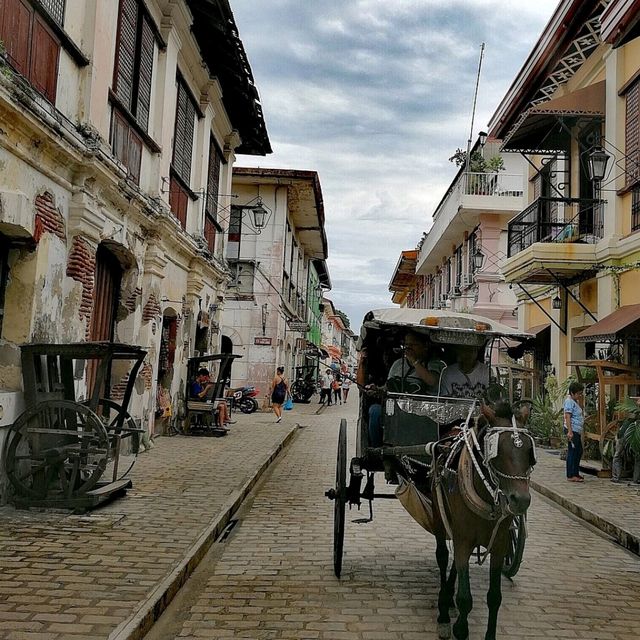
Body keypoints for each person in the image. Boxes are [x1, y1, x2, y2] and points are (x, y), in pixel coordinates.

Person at [367, 330, 442, 447]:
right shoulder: (397, 364)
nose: (408, 348)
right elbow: (388, 387)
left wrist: (414, 361)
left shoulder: (435, 363)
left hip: (423, 412)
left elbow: (432, 381)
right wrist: (377, 390)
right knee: (375, 411)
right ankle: (377, 451)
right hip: (394, 410)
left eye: (413, 345)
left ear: (425, 346)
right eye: (406, 345)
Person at [564, 381, 585, 483]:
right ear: (572, 393)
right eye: (578, 393)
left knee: (578, 451)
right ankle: (571, 474)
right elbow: (567, 416)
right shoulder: (569, 402)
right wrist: (570, 431)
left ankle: (575, 472)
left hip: (576, 430)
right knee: (573, 452)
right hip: (572, 430)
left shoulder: (574, 402)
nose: (579, 395)